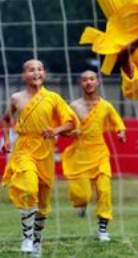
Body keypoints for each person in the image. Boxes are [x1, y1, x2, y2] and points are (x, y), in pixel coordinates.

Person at [1, 59, 79, 257]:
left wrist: (55, 130)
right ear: (24, 75)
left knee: (43, 204)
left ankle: (37, 241)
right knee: (28, 186)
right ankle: (26, 237)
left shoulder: (53, 98)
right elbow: (5, 119)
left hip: (45, 151)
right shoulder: (16, 98)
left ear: (44, 74)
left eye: (39, 69)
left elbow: (71, 123)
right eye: (31, 69)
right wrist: (6, 139)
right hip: (24, 149)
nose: (36, 72)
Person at [61, 70, 126, 242]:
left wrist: (121, 132)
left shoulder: (106, 106)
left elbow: (118, 122)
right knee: (82, 195)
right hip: (80, 155)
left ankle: (103, 229)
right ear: (80, 84)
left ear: (98, 82)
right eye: (84, 80)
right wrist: (71, 133)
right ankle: (80, 205)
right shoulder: (73, 106)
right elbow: (64, 128)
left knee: (104, 190)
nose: (88, 82)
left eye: (92, 79)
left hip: (100, 154)